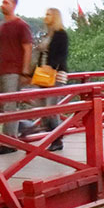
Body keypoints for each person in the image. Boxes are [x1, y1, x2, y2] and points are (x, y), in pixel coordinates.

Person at [0, 0, 33, 155]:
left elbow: (27, 47)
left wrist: (24, 71)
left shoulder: (21, 25)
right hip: (0, 70)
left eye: (6, 2)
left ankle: (9, 141)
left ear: (14, 5)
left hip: (13, 70)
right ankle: (24, 124)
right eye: (2, 2)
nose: (3, 5)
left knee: (10, 105)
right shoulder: (1, 27)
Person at [31, 8, 69, 151]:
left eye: (48, 14)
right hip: (43, 73)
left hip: (56, 73)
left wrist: (51, 66)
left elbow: (61, 55)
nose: (45, 17)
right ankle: (51, 135)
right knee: (42, 107)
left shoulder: (61, 34)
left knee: (50, 107)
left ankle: (57, 139)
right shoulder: (47, 35)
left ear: (55, 17)